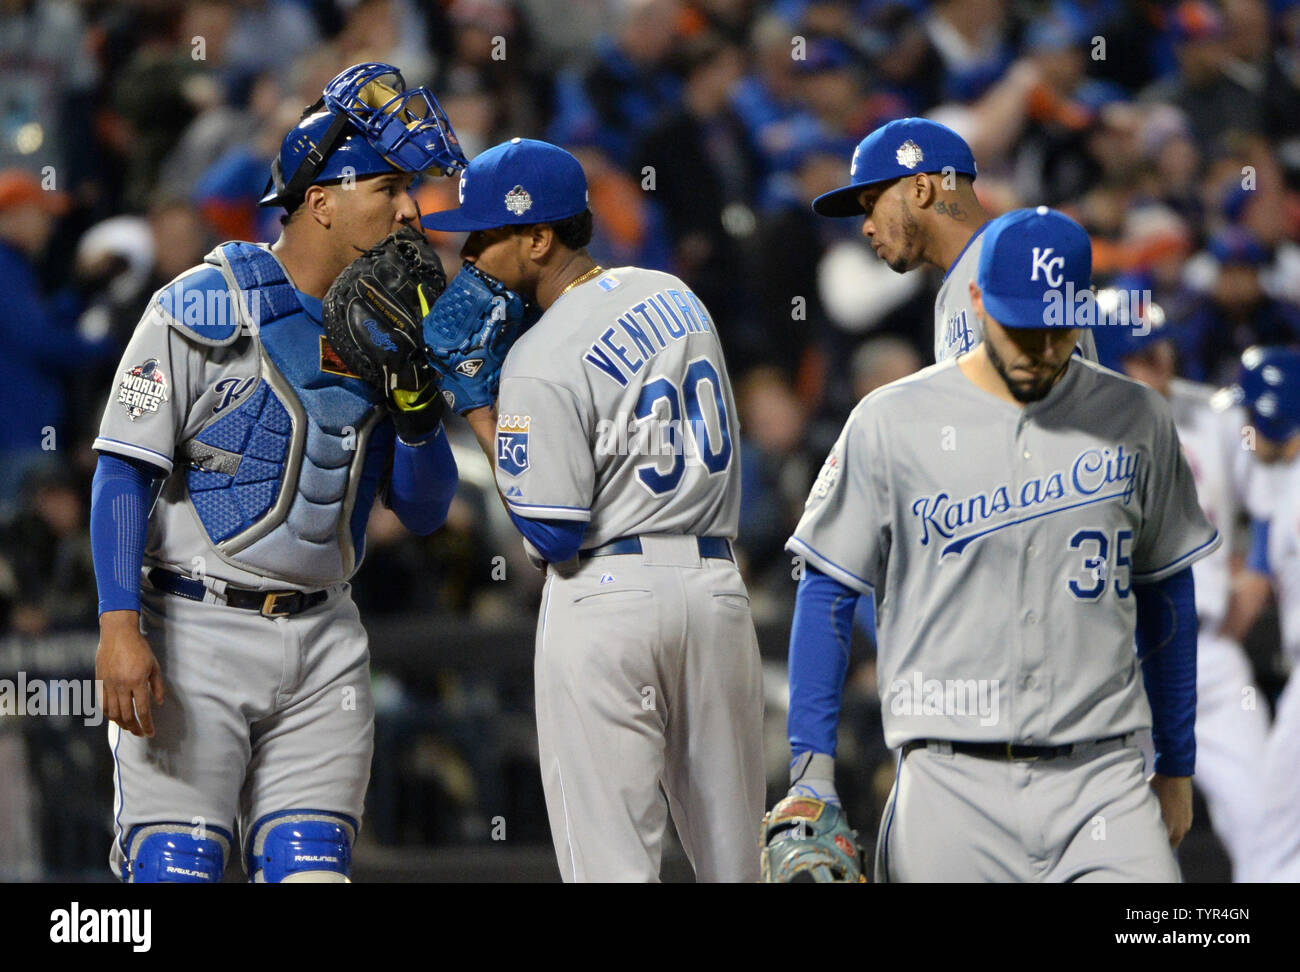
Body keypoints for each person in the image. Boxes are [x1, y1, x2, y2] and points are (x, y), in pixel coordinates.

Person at [90, 63, 466, 883]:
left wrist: (413, 401)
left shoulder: (401, 318)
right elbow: (124, 470)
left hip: (327, 635)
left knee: (312, 873)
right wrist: (119, 626)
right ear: (323, 196)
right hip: (193, 632)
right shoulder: (200, 305)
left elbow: (427, 509)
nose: (410, 210)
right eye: (391, 186)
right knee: (177, 870)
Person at [776, 207, 1220, 882]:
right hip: (951, 783)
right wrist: (811, 772)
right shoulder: (893, 420)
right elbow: (827, 586)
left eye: (1055, 328)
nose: (1039, 351)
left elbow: (1167, 591)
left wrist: (1178, 764)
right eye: (1021, 327)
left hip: (1103, 777)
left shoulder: (1138, 418)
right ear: (977, 298)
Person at [422, 137, 764, 882]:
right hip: (714, 591)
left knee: (611, 864)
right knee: (737, 865)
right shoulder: (676, 295)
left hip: (609, 596)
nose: (470, 255)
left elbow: (551, 529)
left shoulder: (539, 359)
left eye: (484, 236)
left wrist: (480, 405)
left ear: (539, 237)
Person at [1091, 300, 1271, 881]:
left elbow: (1278, 474)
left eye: (1166, 348)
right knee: (1132, 840)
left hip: (1210, 652)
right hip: (1116, 661)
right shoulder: (1076, 425)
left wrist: (1262, 569)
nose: (1162, 362)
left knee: (1267, 813)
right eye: (1145, 354)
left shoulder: (1206, 412)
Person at [810, 116, 1098, 365]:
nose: (867, 228)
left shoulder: (1013, 260)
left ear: (921, 189)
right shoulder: (958, 283)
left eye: (872, 204)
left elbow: (1050, 401)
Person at [1216, 346, 1300, 882]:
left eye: (1252, 414)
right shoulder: (1281, 478)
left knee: (1273, 840)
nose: (1245, 427)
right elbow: (1261, 573)